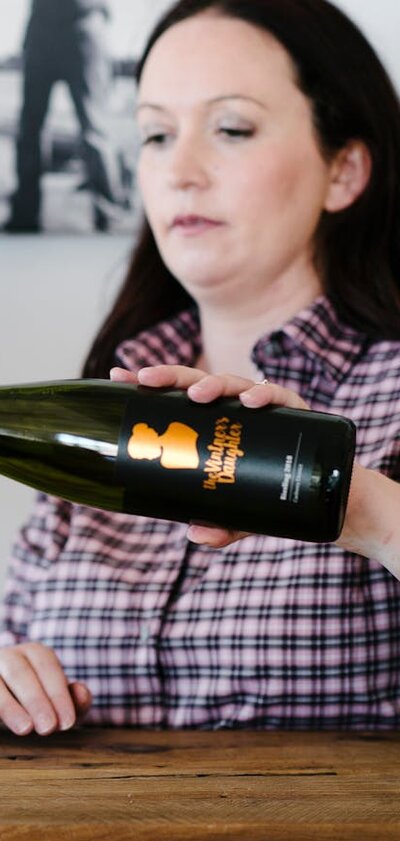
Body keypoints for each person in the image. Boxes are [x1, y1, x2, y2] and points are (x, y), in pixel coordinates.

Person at [0, 0, 400, 736]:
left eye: (231, 128)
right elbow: (16, 657)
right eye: (155, 134)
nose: (179, 171)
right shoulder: (106, 395)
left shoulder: (393, 400)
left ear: (343, 171)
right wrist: (13, 690)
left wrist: (364, 511)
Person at [3, 0, 127, 233]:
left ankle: (110, 216)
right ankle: (24, 216)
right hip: (43, 24)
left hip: (84, 20)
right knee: (30, 127)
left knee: (95, 129)